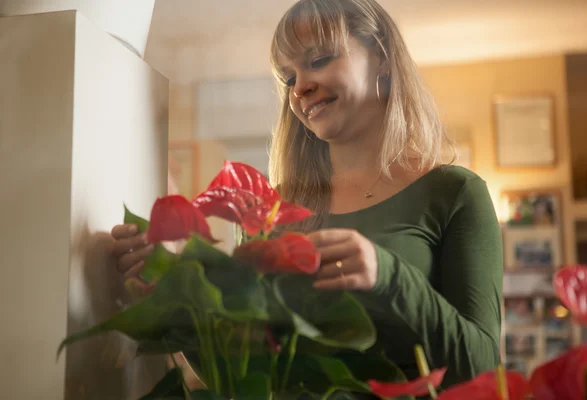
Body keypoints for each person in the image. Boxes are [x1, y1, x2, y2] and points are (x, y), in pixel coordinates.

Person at [110, 0, 503, 394]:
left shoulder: (455, 194)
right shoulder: (268, 213)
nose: (299, 88)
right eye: (287, 77)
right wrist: (176, 290)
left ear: (381, 57)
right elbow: (243, 376)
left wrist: (389, 278)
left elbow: (482, 371)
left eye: (320, 60)